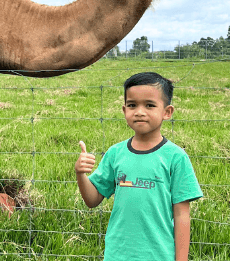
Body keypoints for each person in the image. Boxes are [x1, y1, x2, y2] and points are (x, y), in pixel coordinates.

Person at [75, 72, 202, 261]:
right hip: (117, 255)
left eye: (150, 105)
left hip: (160, 256)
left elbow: (182, 215)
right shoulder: (115, 153)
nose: (140, 112)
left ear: (167, 112)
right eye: (132, 105)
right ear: (124, 110)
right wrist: (81, 174)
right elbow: (92, 200)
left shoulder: (176, 158)